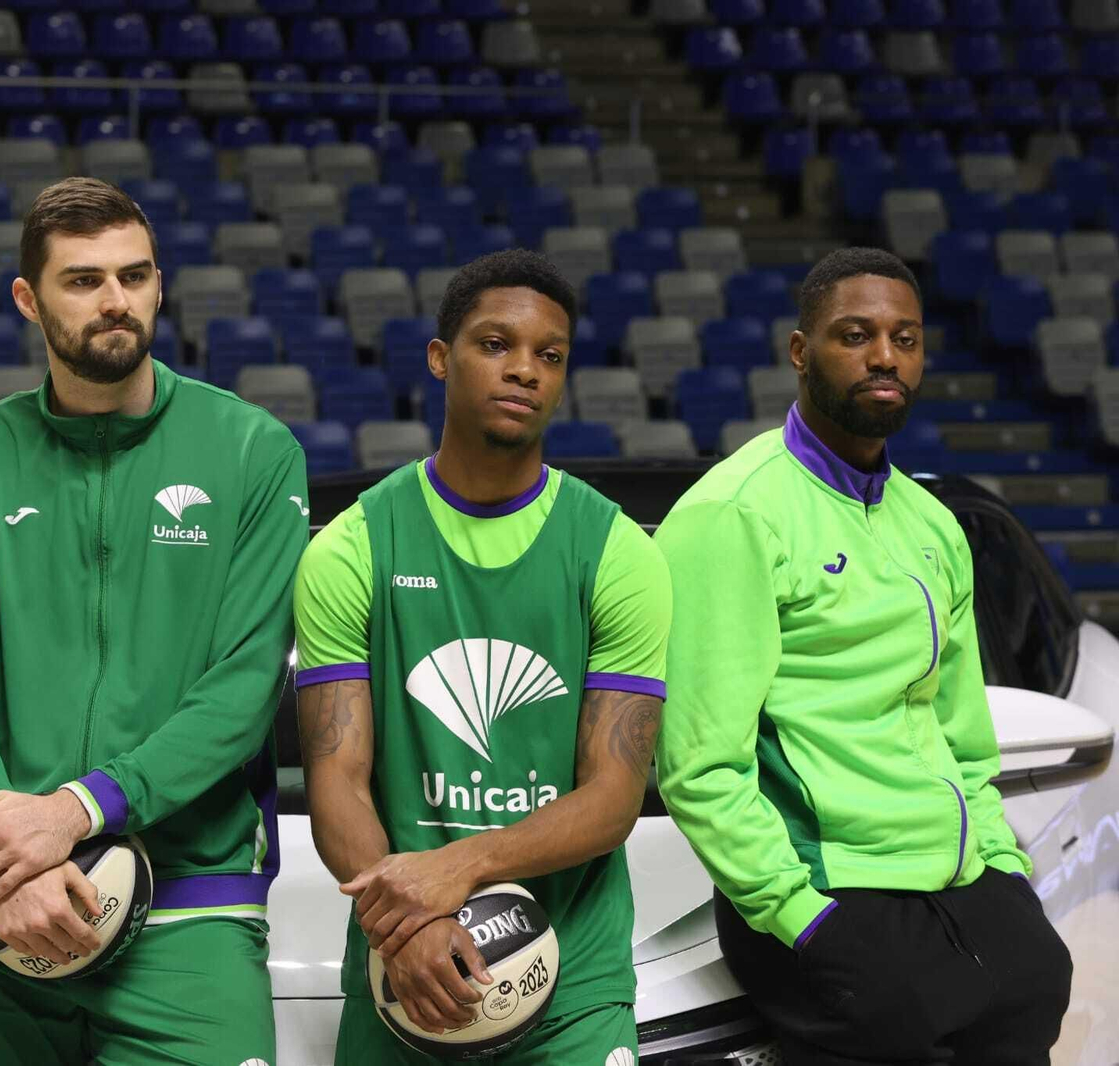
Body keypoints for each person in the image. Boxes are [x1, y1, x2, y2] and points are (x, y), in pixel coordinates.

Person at [0, 177, 308, 1066]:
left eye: (135, 276)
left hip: (191, 894)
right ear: (28, 298)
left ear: (160, 285)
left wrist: (79, 810)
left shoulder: (252, 451)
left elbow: (242, 691)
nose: (116, 300)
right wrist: (7, 852)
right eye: (83, 280)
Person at [655, 247, 1072, 1065]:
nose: (885, 355)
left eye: (905, 338)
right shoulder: (734, 516)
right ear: (801, 352)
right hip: (829, 888)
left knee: (1038, 982)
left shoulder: (932, 523)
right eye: (856, 334)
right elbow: (701, 764)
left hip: (958, 882)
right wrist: (797, 913)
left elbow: (962, 738)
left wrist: (1002, 868)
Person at [294, 249, 670, 1064]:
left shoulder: (616, 552)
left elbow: (613, 795)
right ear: (440, 358)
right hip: (405, 966)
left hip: (572, 981)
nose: (525, 370)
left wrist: (457, 870)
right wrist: (416, 922)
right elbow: (336, 778)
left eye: (549, 355)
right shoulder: (355, 545)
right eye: (495, 345)